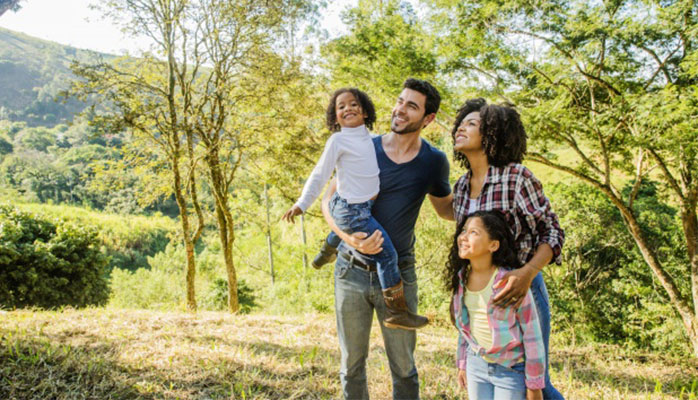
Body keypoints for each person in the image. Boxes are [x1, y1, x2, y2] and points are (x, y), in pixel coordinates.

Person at [321, 78, 454, 399]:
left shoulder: (433, 162)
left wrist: (485, 196)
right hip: (350, 272)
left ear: (428, 118)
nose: (400, 110)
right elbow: (328, 201)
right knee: (351, 365)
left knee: (404, 366)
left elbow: (446, 211)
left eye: (412, 106)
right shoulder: (364, 147)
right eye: (399, 101)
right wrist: (348, 240)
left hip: (399, 276)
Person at [282, 87, 428, 330]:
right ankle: (396, 312)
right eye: (341, 107)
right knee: (387, 254)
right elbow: (320, 174)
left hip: (357, 206)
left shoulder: (368, 138)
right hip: (352, 209)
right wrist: (302, 203)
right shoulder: (338, 141)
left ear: (364, 110)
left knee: (345, 226)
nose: (347, 108)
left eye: (353, 104)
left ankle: (327, 250)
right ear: (334, 116)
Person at [451, 98, 565, 399]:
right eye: (461, 122)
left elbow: (552, 231)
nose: (461, 126)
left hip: (520, 291)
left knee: (535, 381)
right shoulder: (461, 187)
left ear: (492, 134)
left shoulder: (516, 177)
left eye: (472, 123)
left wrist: (527, 273)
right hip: (477, 293)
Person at [448, 210, 545, 400]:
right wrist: (462, 363)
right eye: (464, 230)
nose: (463, 237)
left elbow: (532, 335)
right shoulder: (461, 279)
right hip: (476, 365)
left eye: (474, 232)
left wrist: (534, 384)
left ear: (493, 245)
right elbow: (464, 328)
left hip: (509, 369)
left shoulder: (510, 282)